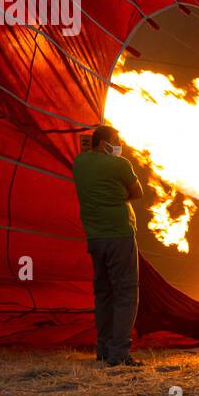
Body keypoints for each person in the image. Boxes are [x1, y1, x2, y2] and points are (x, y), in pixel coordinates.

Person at [72, 124, 143, 367]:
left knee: (103, 294)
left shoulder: (79, 163)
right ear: (104, 143)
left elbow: (83, 149)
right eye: (115, 140)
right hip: (120, 235)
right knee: (125, 294)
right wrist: (119, 196)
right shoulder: (120, 165)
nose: (119, 145)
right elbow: (137, 192)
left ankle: (102, 349)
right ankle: (119, 353)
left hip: (95, 237)